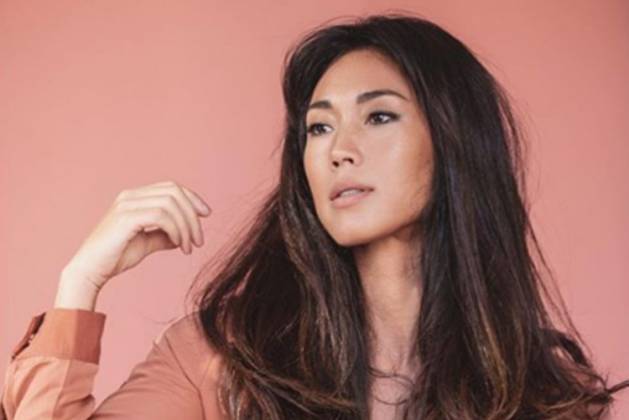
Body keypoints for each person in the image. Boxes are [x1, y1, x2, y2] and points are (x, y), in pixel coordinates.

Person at [2, 12, 627, 420]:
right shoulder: (223, 359)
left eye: (378, 116)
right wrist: (79, 283)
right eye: (318, 127)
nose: (338, 150)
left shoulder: (545, 396)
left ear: (455, 143)